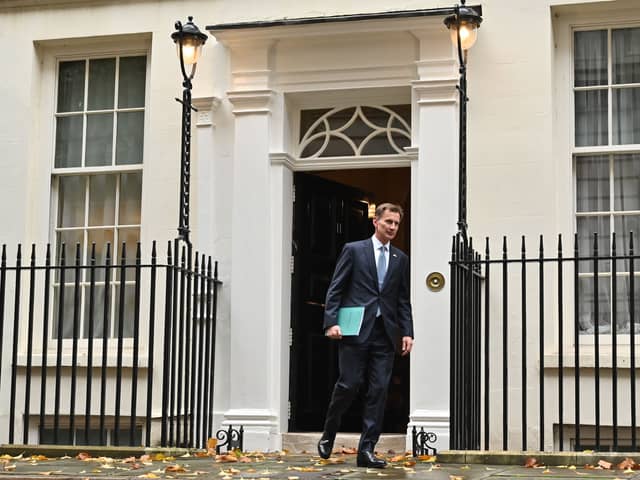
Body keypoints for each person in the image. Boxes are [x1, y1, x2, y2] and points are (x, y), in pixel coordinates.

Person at [317, 203, 414, 468]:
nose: (393, 227)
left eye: (396, 223)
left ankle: (367, 450)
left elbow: (402, 299)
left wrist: (407, 331)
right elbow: (336, 288)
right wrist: (331, 322)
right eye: (388, 222)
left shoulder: (400, 259)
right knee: (348, 385)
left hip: (385, 335)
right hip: (355, 330)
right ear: (376, 222)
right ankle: (329, 432)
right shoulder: (354, 250)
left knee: (379, 390)